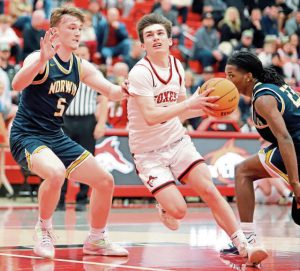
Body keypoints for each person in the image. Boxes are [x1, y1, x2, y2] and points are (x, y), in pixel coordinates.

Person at [127, 13, 268, 265]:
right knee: (179, 210)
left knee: (210, 190)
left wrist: (207, 106)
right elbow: (150, 116)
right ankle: (165, 205)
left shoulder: (177, 66)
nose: (155, 38)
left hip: (177, 141)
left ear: (170, 40)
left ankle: (242, 245)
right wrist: (191, 103)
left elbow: (182, 108)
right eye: (149, 35)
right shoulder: (140, 73)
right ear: (142, 45)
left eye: (160, 33)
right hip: (148, 153)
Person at [10, 6, 128, 259]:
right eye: (71, 28)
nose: (77, 33)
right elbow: (16, 84)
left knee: (105, 181)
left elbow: (112, 92)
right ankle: (43, 231)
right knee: (55, 173)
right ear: (54, 31)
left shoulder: (80, 65)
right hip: (27, 135)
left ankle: (96, 239)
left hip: (55, 135)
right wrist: (41, 60)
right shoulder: (38, 58)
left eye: (79, 28)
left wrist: (127, 87)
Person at [222, 50, 300, 255]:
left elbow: (284, 137)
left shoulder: (263, 99)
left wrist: (295, 183)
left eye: (232, 75)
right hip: (295, 142)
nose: (227, 81)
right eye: (225, 75)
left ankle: (247, 239)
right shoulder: (273, 87)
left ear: (248, 76)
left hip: (296, 145)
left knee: (243, 171)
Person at [57, 42, 108, 212]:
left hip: (87, 120)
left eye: (84, 55)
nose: (80, 58)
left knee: (87, 160)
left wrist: (101, 123)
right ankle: (60, 199)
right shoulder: (64, 70)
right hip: (65, 120)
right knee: (60, 161)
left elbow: (104, 99)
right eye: (78, 54)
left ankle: (82, 198)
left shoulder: (95, 72)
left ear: (89, 56)